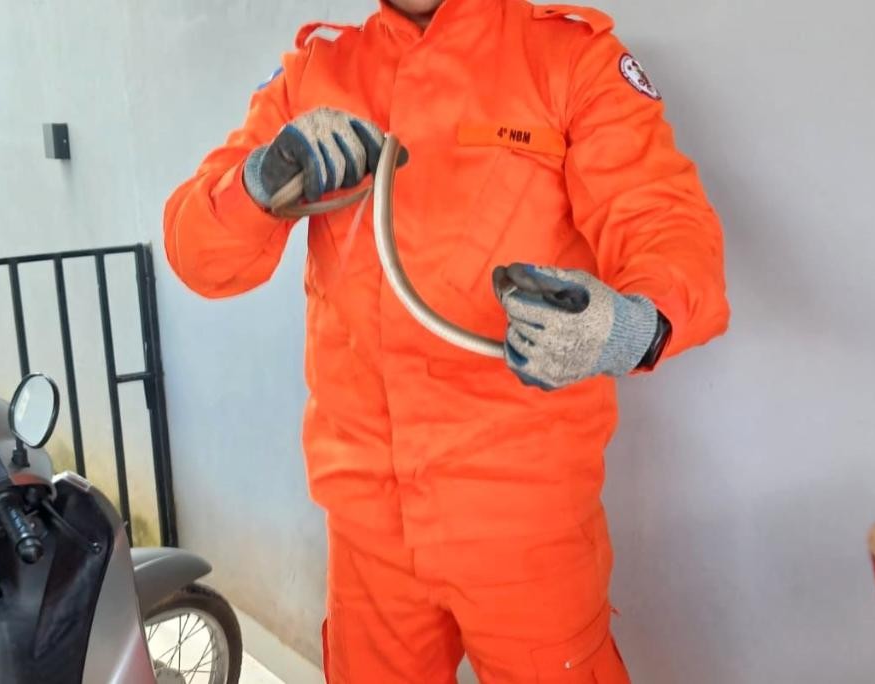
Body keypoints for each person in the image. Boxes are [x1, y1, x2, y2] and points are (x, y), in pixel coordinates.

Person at [163, 0, 729, 681]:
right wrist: (259, 181)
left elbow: (664, 223)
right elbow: (200, 257)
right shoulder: (318, 70)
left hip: (523, 522)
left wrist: (630, 327)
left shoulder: (568, 58)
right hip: (367, 529)